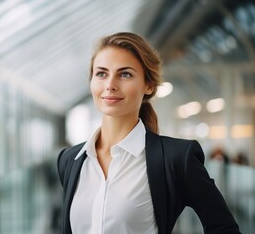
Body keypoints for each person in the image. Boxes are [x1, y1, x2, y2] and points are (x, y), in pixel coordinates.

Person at [57, 32, 240, 234]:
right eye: (101, 73)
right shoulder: (70, 160)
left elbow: (224, 228)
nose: (110, 85)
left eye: (125, 74)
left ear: (148, 85)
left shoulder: (176, 158)